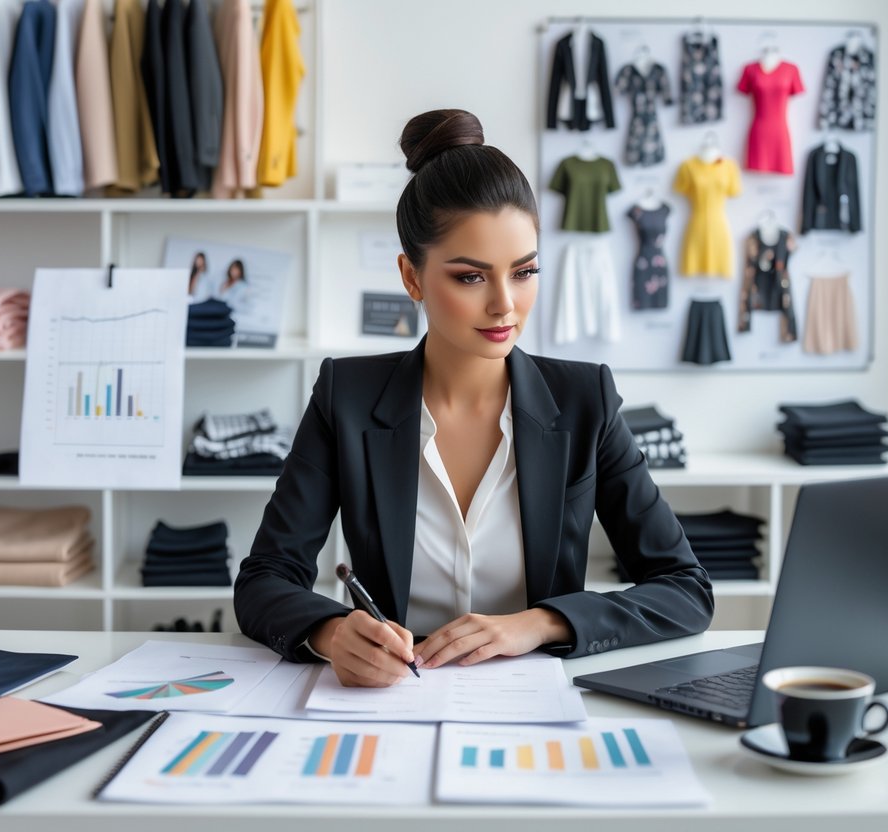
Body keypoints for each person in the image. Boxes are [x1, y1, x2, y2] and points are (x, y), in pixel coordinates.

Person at [235, 109, 712, 687]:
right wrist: (333, 633)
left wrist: (541, 623)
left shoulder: (586, 398)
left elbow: (685, 590)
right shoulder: (348, 396)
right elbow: (265, 579)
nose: (505, 305)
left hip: (536, 705)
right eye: (471, 276)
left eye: (525, 271)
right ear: (412, 278)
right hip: (390, 704)